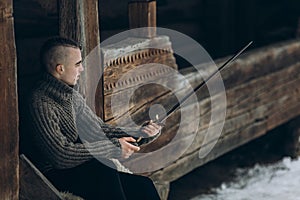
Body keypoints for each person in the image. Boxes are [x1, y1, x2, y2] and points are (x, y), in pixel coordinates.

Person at [24, 37, 162, 200]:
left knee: (143, 186)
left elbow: (99, 130)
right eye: (77, 64)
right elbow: (60, 155)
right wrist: (113, 147)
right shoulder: (39, 101)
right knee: (102, 168)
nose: (81, 69)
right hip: (50, 176)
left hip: (79, 170)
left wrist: (140, 132)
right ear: (60, 69)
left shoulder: (71, 97)